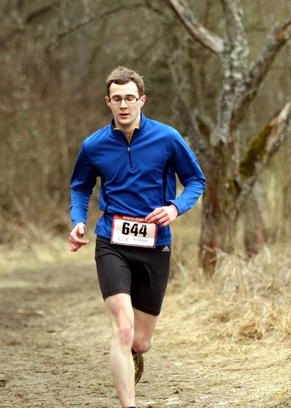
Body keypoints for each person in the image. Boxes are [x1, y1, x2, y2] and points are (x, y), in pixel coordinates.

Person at [68, 66, 206, 408]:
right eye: (117, 99)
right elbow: (80, 186)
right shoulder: (94, 145)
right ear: (108, 102)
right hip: (112, 243)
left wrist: (175, 208)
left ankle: (132, 357)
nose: (124, 105)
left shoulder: (167, 138)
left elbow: (196, 181)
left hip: (155, 245)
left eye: (130, 98)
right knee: (123, 329)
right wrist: (78, 221)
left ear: (142, 100)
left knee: (140, 341)